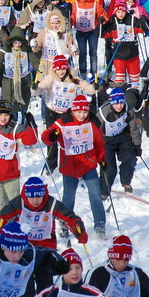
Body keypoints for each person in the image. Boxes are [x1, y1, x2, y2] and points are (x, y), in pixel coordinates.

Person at [0, 176, 87, 297]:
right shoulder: (19, 202)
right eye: (32, 197)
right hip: (24, 251)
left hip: (46, 250)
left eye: (39, 197)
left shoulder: (51, 203)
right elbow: (1, 218)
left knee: (46, 285)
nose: (36, 200)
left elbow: (69, 217)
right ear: (26, 196)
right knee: (25, 287)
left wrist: (78, 228)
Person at [41, 95, 107, 237]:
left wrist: (102, 159)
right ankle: (65, 225)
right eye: (79, 112)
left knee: (95, 194)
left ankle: (100, 225)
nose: (82, 115)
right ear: (73, 111)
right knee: (68, 197)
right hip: (69, 166)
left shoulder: (93, 122)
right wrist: (51, 136)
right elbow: (46, 136)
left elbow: (99, 143)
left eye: (85, 112)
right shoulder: (63, 121)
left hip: (88, 164)